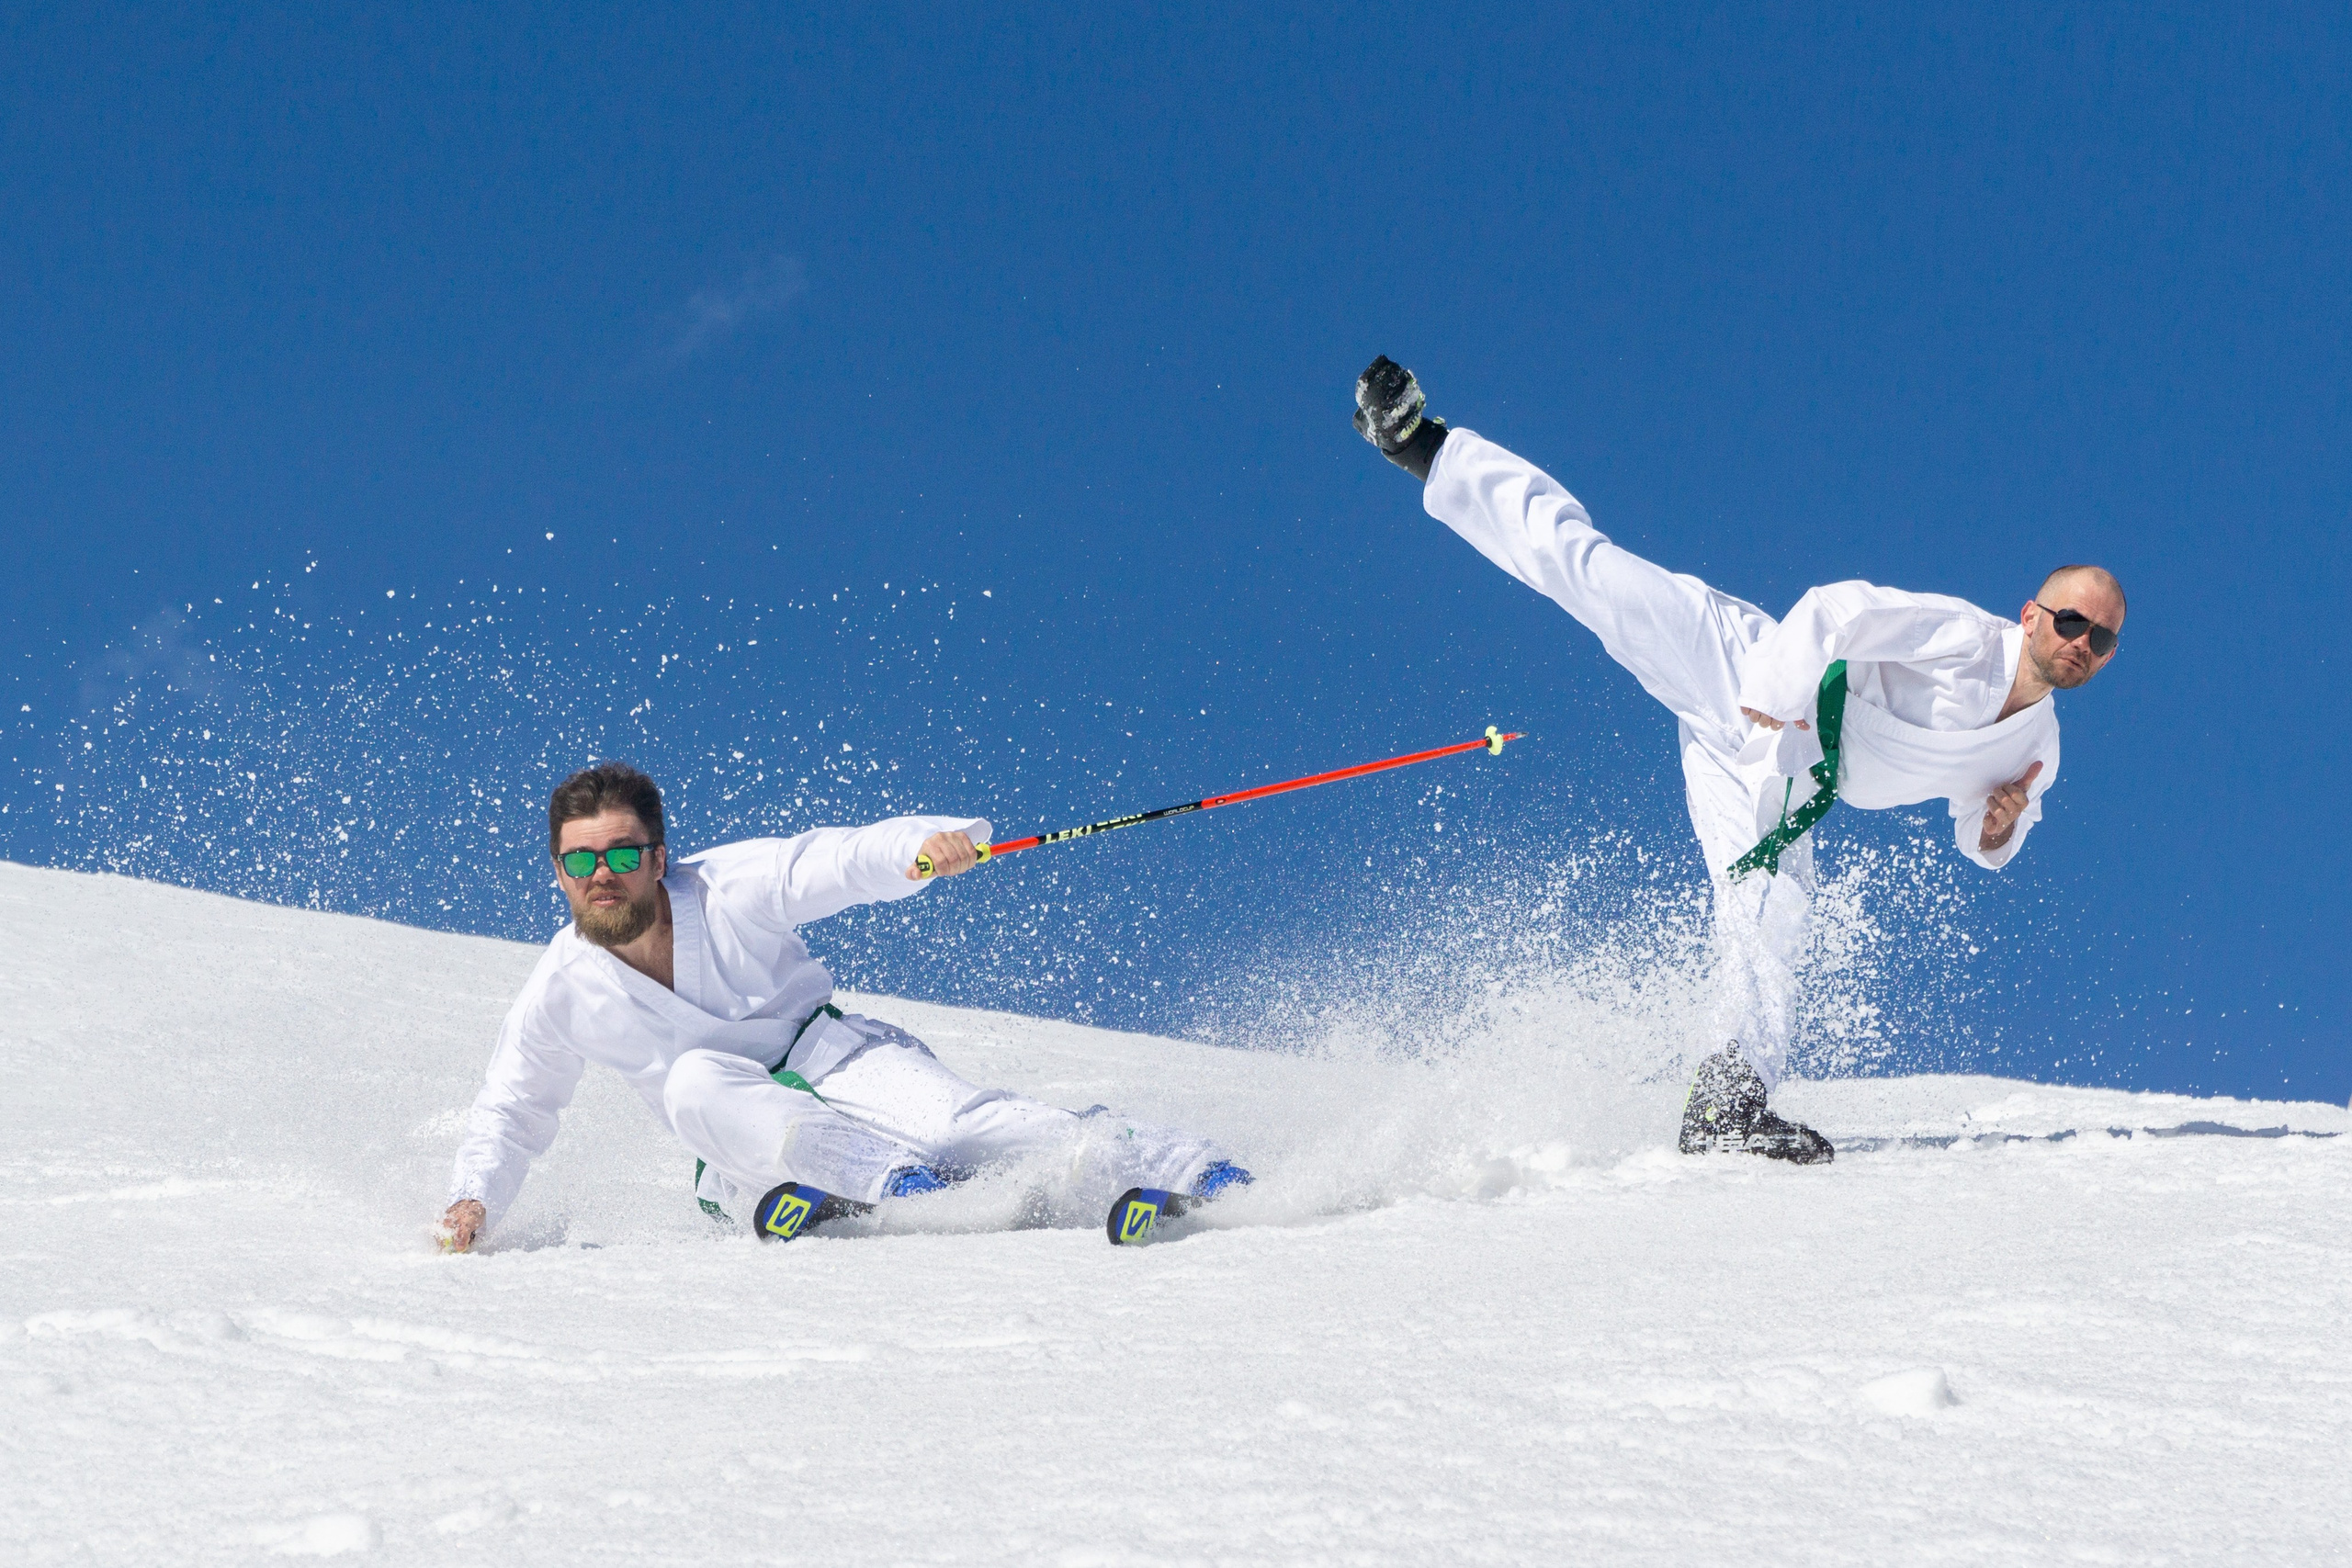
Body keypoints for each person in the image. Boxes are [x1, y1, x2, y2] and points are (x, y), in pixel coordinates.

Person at [1351, 356, 2125, 1164]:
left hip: (1784, 776)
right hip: (1744, 666)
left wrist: (1997, 830)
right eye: (2073, 620)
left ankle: (1726, 1104)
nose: (2082, 643)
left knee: (1771, 908)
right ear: (2033, 613)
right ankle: (1422, 447)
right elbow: (1839, 608)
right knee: (1598, 577)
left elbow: (1985, 836)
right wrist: (1780, 687)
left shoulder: (2040, 748)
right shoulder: (1966, 637)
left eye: (2101, 639)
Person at [436, 761, 1247, 1250]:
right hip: (740, 1144)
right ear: (557, 870)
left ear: (658, 859)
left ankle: (1177, 1163)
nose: (600, 873)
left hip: (837, 1060)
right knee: (691, 1082)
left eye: (620, 852)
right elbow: (513, 1107)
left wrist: (921, 849)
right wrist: (475, 1196)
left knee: (961, 1125)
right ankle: (887, 1183)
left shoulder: (727, 886)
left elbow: (832, 860)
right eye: (580, 858)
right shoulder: (559, 989)